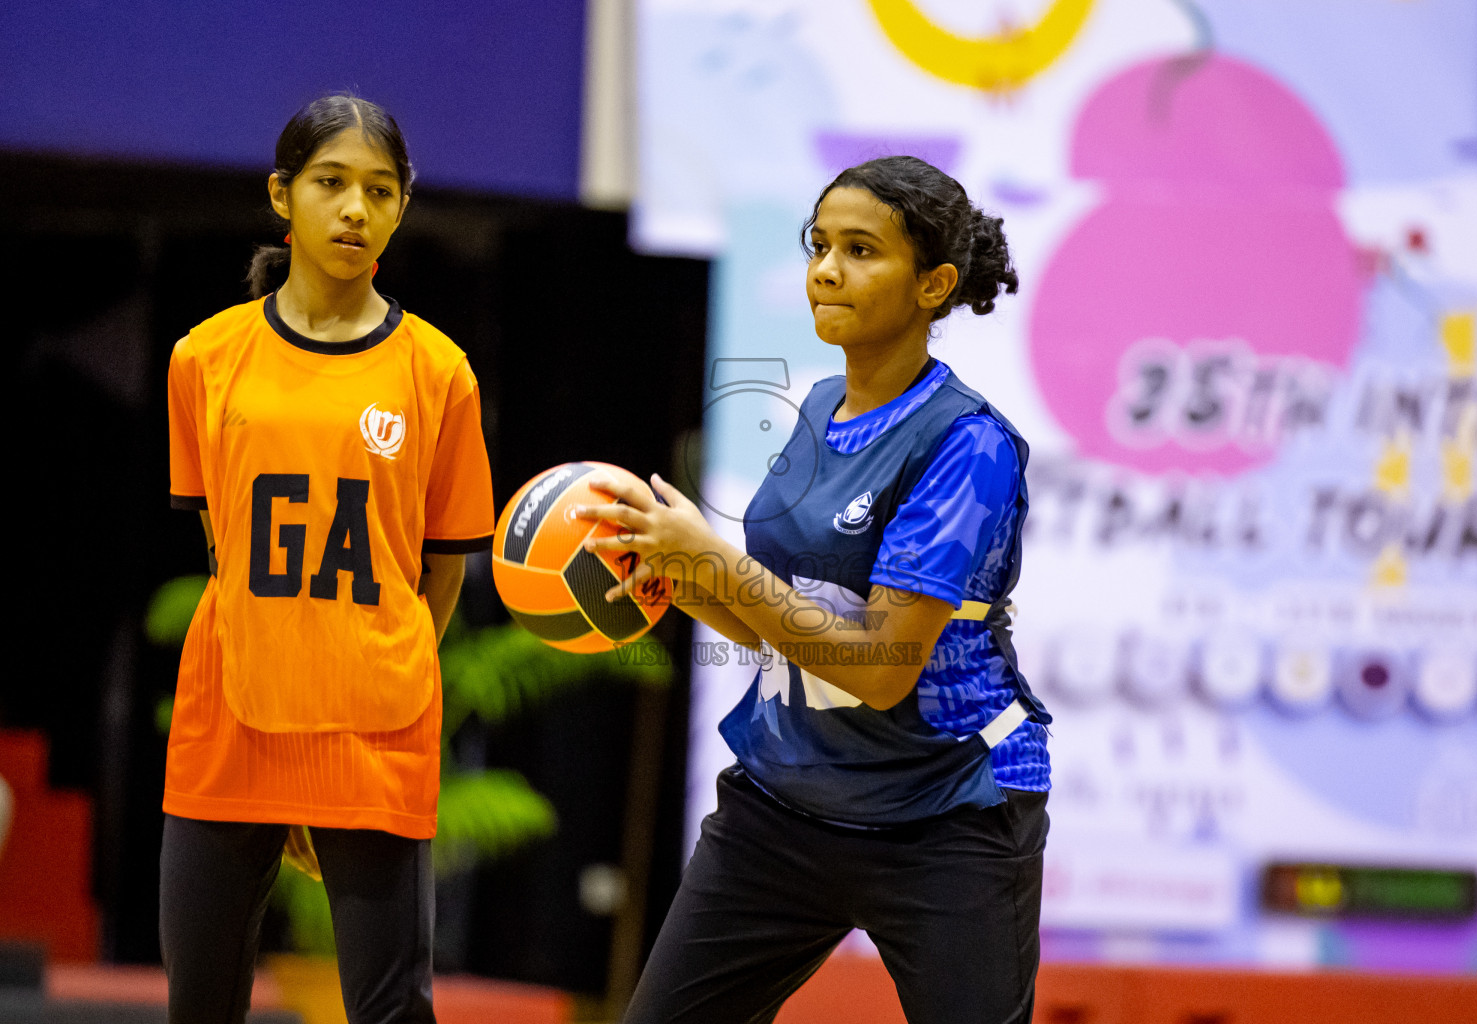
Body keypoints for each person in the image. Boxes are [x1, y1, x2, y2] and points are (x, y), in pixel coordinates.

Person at [578, 156, 1052, 1024]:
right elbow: (781, 625)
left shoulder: (967, 446)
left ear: (933, 284)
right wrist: (675, 577)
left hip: (945, 813)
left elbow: (879, 669)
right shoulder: (825, 402)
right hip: (786, 804)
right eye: (819, 244)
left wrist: (719, 563)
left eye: (862, 249)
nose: (827, 269)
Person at [160, 94, 494, 1024]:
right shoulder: (205, 358)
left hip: (375, 726)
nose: (354, 208)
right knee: (202, 1003)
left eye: (379, 190)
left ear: (401, 208)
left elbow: (442, 572)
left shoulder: (439, 374)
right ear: (282, 195)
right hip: (229, 714)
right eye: (330, 183)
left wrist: (370, 683)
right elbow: (221, 538)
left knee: (392, 1008)